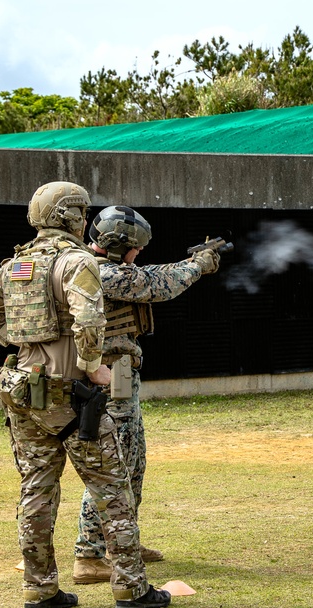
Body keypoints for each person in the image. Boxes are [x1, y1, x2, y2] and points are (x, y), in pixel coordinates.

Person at [0, 183, 170, 608]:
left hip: (25, 389)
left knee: (36, 491)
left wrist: (26, 345)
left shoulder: (17, 264)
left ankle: (40, 591)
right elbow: (89, 318)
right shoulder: (78, 261)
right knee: (112, 488)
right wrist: (93, 363)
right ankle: (131, 589)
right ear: (71, 217)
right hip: (72, 392)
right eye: (82, 212)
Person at [72, 205, 220, 584]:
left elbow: (146, 274)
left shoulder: (108, 267)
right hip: (108, 379)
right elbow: (156, 285)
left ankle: (121, 543)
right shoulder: (97, 271)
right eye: (135, 247)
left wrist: (191, 261)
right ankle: (89, 554)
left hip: (121, 376)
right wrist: (198, 266)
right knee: (113, 466)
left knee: (134, 462)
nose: (139, 254)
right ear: (119, 246)